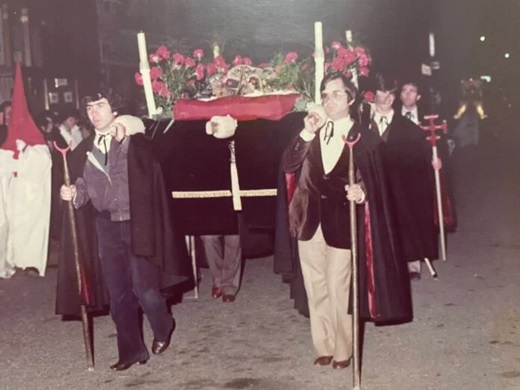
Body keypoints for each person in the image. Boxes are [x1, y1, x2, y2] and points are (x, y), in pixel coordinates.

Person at [281, 73, 412, 369]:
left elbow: (376, 182)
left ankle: (343, 349)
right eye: (325, 95)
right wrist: (306, 133)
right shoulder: (312, 130)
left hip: (344, 222)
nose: (330, 100)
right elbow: (288, 165)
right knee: (315, 287)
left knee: (340, 288)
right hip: (308, 221)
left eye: (337, 94)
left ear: (351, 99)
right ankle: (323, 345)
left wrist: (362, 192)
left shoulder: (362, 136)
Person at [59, 88, 192, 371]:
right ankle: (131, 351)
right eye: (90, 107)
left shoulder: (137, 142)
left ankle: (163, 324)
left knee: (145, 290)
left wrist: (129, 139)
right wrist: (74, 193)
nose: (94, 112)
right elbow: (85, 186)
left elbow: (158, 154)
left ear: (115, 110)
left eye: (100, 105)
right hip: (106, 226)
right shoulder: (85, 149)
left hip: (137, 222)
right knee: (119, 293)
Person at [366, 73, 438, 280]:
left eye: (391, 93)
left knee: (406, 217)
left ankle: (412, 261)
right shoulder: (363, 126)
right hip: (371, 185)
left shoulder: (410, 130)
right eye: (383, 92)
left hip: (401, 186)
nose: (387, 98)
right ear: (374, 94)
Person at [0, 65, 51, 278]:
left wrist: (24, 152)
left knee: (31, 230)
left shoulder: (36, 140)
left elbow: (43, 161)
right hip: (12, 194)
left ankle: (30, 263)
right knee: (11, 228)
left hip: (31, 196)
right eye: (10, 115)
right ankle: (10, 260)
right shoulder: (4, 137)